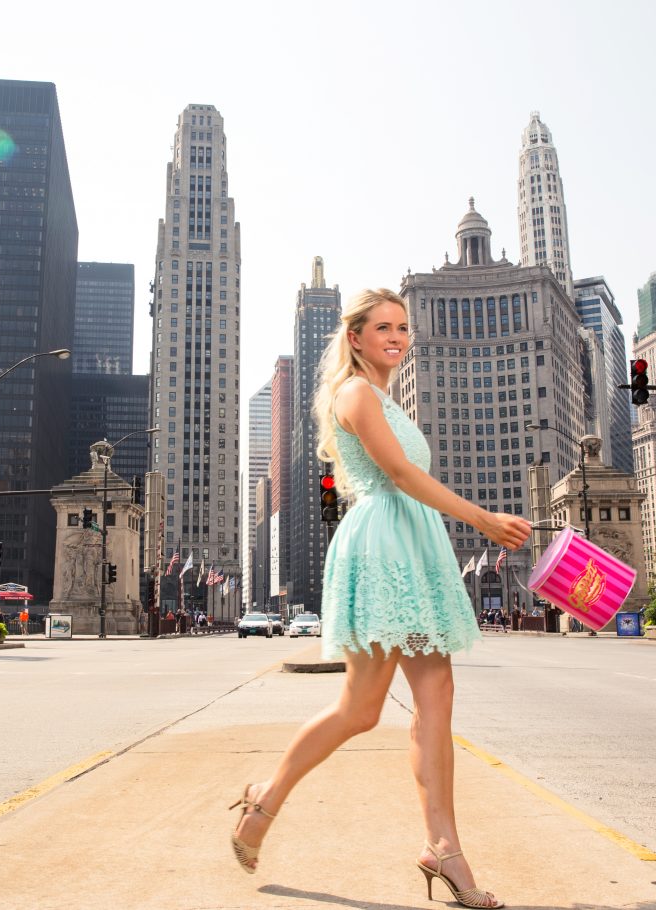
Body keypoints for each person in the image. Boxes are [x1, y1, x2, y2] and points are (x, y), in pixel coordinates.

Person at [229, 289, 530, 908]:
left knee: (433, 696)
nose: (397, 336)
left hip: (412, 546)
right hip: (384, 551)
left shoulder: (385, 397)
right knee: (363, 708)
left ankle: (442, 845)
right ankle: (266, 797)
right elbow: (399, 476)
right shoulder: (357, 393)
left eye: (403, 327)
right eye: (383, 327)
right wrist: (480, 519)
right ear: (357, 338)